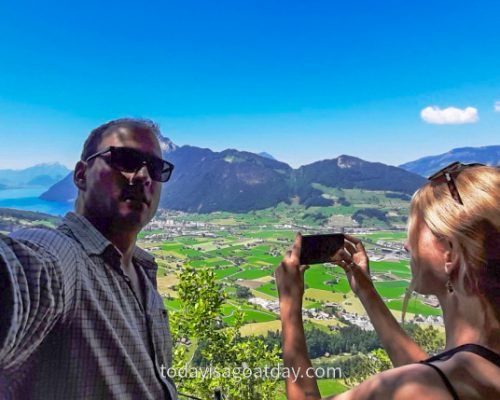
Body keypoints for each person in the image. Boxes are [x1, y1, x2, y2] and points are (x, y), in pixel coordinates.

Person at [276, 162, 500, 399]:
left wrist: (289, 308)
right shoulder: (478, 367)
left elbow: (423, 380)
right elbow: (433, 370)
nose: (405, 245)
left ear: (449, 253)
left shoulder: (417, 387)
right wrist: (365, 289)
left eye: (413, 231)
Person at [0, 118, 177, 399]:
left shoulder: (145, 276)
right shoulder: (62, 255)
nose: (144, 176)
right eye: (126, 159)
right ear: (81, 175)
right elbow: (21, 274)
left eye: (156, 168)